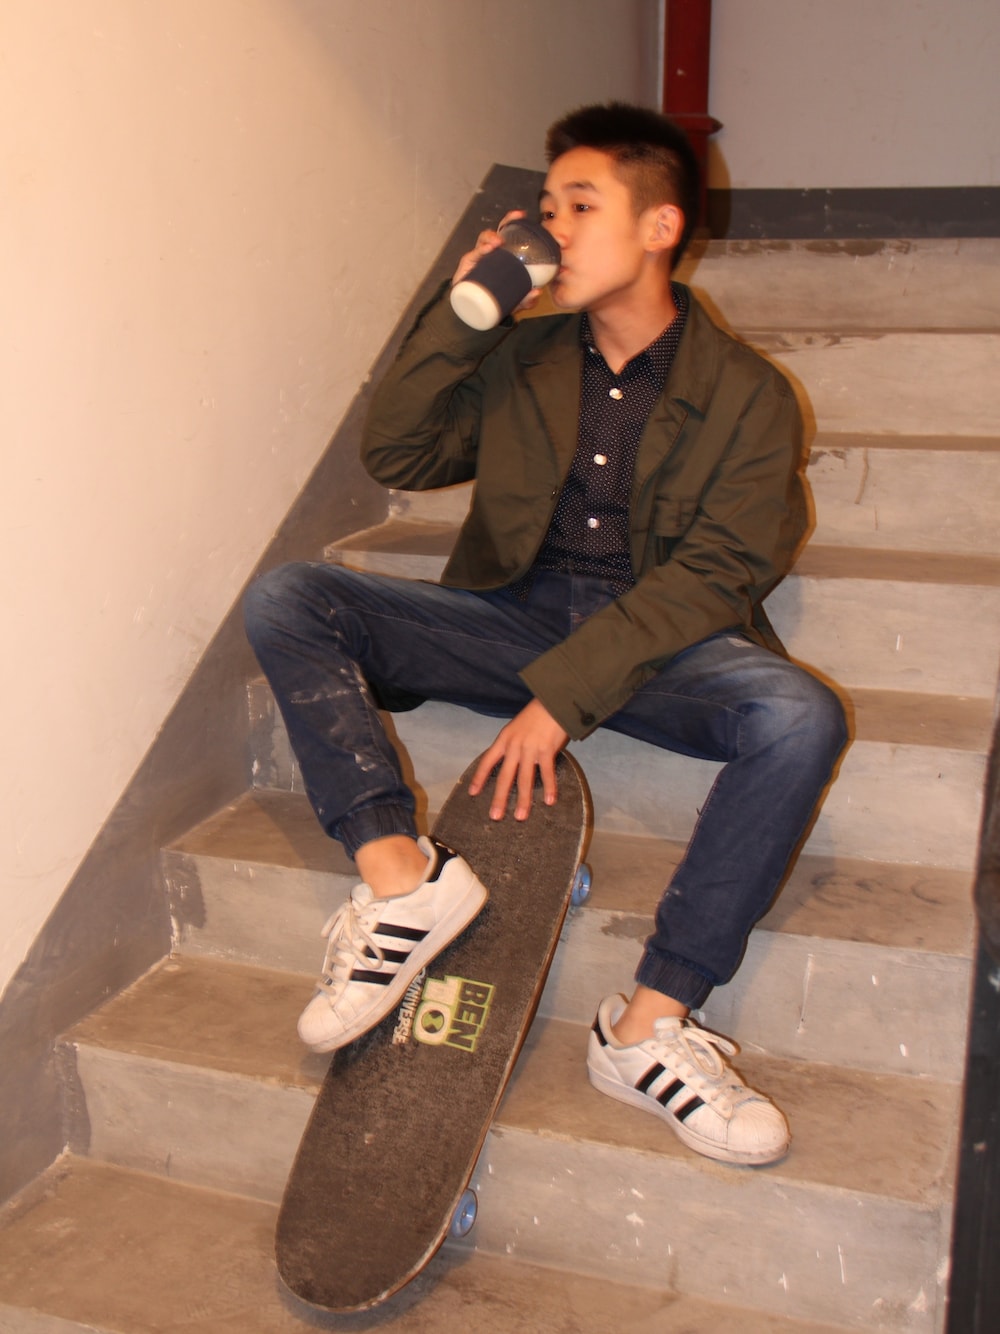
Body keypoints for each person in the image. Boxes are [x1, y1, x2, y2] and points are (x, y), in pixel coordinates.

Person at [244, 102, 848, 1168]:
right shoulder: (524, 357)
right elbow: (400, 452)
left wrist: (561, 697)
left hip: (653, 645)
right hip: (510, 616)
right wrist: (464, 312)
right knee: (294, 596)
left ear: (659, 226)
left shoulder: (750, 394)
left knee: (797, 715)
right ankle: (402, 880)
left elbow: (721, 570)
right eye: (545, 206)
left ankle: (647, 1025)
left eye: (579, 205)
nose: (552, 227)